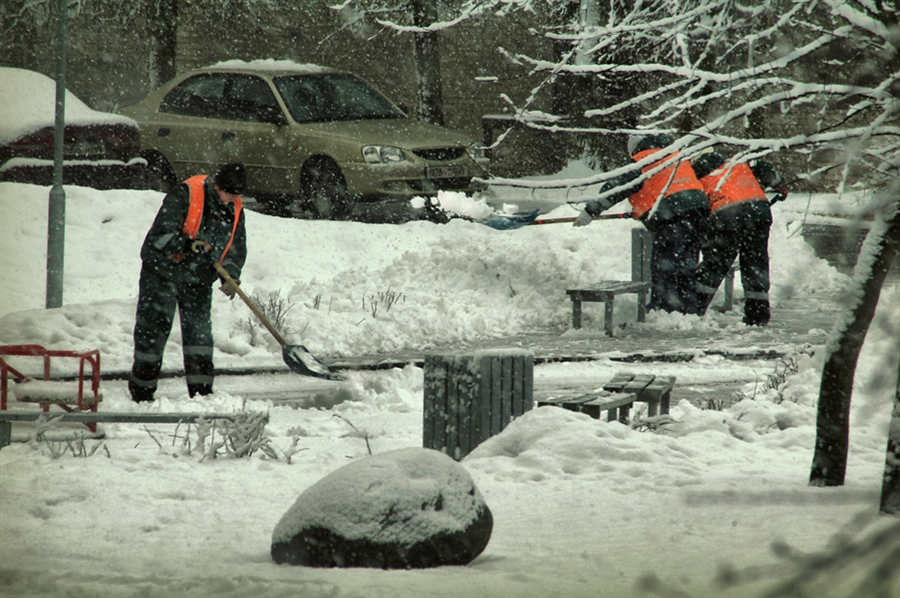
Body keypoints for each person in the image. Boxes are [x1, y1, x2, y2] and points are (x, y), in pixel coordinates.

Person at [129, 163, 248, 403]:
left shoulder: (234, 207)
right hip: (161, 271)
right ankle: (142, 393)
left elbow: (235, 246)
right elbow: (160, 236)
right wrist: (188, 246)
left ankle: (202, 394)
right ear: (217, 185)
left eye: (235, 195)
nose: (230, 200)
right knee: (153, 332)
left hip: (198, 276)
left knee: (199, 335)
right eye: (227, 193)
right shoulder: (186, 194)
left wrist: (231, 274)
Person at [574, 134, 710, 314]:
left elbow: (617, 187)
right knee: (687, 265)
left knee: (665, 266)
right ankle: (687, 309)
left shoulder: (642, 161)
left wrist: (591, 210)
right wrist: (642, 209)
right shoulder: (674, 156)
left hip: (674, 215)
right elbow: (663, 185)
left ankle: (664, 309)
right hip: (698, 212)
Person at [691, 150, 785, 326]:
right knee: (755, 263)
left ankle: (694, 309)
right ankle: (758, 315)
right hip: (759, 210)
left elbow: (698, 206)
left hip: (726, 214)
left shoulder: (695, 173)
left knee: (716, 264)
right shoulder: (736, 161)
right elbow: (765, 169)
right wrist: (778, 184)